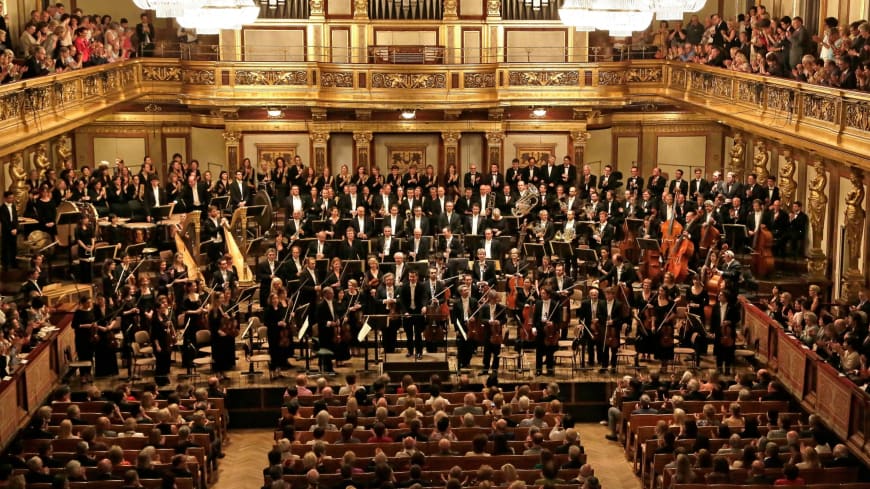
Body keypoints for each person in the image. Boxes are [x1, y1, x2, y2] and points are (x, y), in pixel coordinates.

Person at [400, 270, 428, 359]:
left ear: (417, 277)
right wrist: (405, 312)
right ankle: (410, 351)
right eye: (410, 277)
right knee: (408, 334)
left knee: (418, 334)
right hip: (408, 312)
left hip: (418, 312)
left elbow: (425, 297)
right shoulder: (404, 287)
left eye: (413, 277)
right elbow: (402, 301)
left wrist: (424, 306)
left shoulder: (422, 286)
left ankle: (419, 352)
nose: (411, 278)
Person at [534, 287, 560, 376]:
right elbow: (535, 318)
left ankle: (550, 369)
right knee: (539, 351)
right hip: (540, 329)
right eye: (541, 293)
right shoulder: (538, 303)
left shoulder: (555, 304)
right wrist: (534, 327)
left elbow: (558, 320)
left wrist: (552, 323)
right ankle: (538, 370)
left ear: (548, 295)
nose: (541, 295)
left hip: (550, 331)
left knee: (550, 351)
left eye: (544, 293)